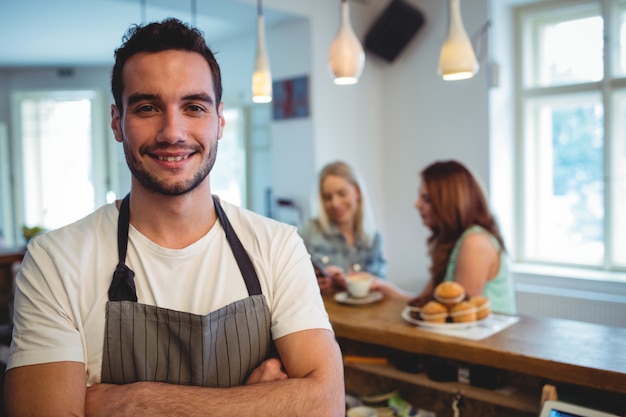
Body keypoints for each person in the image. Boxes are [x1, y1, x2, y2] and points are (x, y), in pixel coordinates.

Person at [4, 18, 344, 417]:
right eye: (148, 107)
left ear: (220, 121)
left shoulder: (277, 246)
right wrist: (254, 404)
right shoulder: (54, 261)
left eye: (194, 107)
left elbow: (325, 403)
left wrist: (137, 402)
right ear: (118, 122)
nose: (173, 131)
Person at [409, 160, 516, 314]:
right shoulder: (452, 241)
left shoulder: (475, 243)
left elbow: (459, 313)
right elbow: (423, 300)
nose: (417, 204)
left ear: (449, 203)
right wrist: (385, 288)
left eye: (427, 199)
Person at [298, 161, 387, 293]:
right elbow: (292, 281)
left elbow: (382, 287)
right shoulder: (309, 232)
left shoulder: (374, 239)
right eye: (327, 197)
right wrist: (311, 281)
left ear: (357, 191)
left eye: (342, 193)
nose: (335, 203)